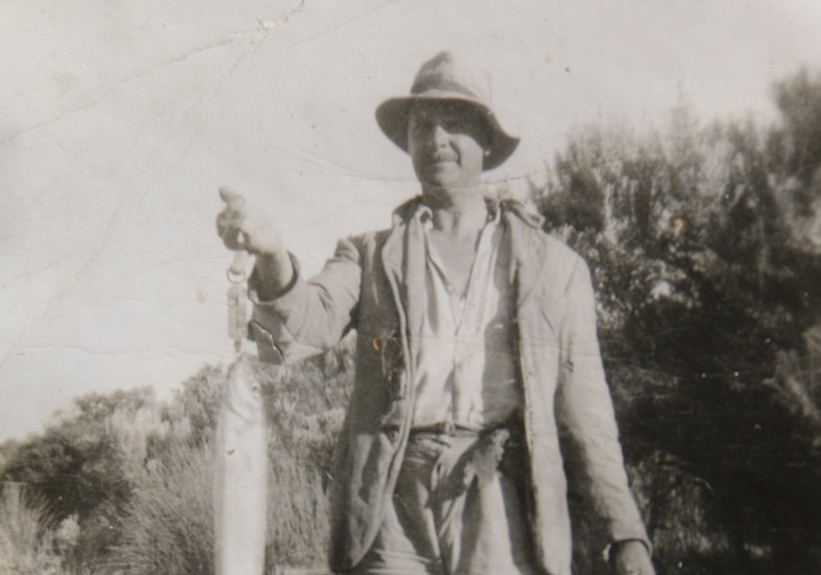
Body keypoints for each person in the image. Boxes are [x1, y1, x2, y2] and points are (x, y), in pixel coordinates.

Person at [216, 51, 655, 575]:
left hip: (500, 492)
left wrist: (625, 534)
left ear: (487, 142)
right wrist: (271, 256)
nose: (437, 139)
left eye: (457, 123)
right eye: (422, 125)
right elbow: (305, 324)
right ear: (408, 143)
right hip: (391, 500)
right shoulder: (370, 254)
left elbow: (589, 414)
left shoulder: (556, 269)